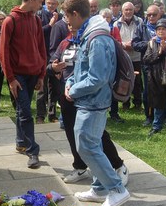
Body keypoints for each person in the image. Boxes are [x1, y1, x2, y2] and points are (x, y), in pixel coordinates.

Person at [63, 0, 131, 206]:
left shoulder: (97, 37)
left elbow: (98, 77)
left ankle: (116, 189)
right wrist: (71, 80)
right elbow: (82, 67)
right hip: (89, 100)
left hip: (94, 101)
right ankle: (100, 187)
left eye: (67, 16)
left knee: (86, 146)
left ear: (76, 14)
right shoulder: (89, 33)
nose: (66, 21)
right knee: (92, 144)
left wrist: (73, 90)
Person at [49, 21, 128, 185]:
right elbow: (51, 64)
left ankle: (117, 165)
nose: (70, 26)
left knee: (97, 136)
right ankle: (80, 167)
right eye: (68, 24)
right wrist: (54, 68)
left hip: (88, 96)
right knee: (73, 133)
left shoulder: (94, 41)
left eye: (72, 22)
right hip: (67, 94)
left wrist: (75, 89)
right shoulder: (65, 43)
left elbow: (98, 76)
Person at [0, 0, 48, 168]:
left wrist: (42, 75)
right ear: (31, 0)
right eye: (40, 2)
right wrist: (10, 79)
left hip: (33, 74)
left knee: (23, 110)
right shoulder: (10, 21)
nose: (41, 6)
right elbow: (3, 52)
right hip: (17, 75)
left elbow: (41, 48)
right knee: (26, 112)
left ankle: (21, 142)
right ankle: (32, 151)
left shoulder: (35, 21)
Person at [133, 4, 164, 126]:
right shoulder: (141, 27)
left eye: (154, 14)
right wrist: (150, 43)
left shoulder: (165, 26)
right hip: (147, 64)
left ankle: (163, 116)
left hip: (163, 64)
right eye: (149, 14)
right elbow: (135, 44)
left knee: (163, 91)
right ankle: (149, 116)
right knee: (148, 92)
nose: (151, 17)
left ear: (159, 15)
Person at [37, 0, 62, 123]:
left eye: (53, 3)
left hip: (56, 55)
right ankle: (40, 115)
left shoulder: (62, 17)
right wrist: (50, 25)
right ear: (45, 3)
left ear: (57, 4)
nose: (51, 5)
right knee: (41, 86)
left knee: (55, 86)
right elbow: (36, 33)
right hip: (42, 55)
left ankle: (52, 114)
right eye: (49, 3)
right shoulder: (39, 15)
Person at [116, 2, 143, 111]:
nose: (128, 12)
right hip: (124, 57)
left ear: (134, 10)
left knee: (137, 82)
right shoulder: (116, 24)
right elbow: (115, 41)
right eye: (126, 10)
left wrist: (134, 45)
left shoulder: (140, 22)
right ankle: (125, 104)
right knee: (124, 81)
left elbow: (143, 37)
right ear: (122, 11)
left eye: (130, 10)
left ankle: (137, 104)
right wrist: (123, 45)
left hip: (137, 56)